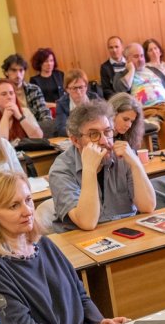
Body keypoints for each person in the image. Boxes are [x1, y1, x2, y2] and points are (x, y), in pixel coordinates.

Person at [0, 171, 128, 324]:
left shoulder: (43, 244)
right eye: (14, 206)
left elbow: (80, 294)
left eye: (28, 200)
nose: (27, 211)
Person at [45, 99, 156, 232]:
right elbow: (87, 223)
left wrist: (136, 164)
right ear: (75, 140)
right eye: (94, 134)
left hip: (124, 231)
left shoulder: (124, 156)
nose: (104, 141)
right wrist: (90, 169)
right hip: (80, 240)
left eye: (108, 132)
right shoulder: (61, 170)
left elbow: (148, 206)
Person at [116, 42, 165, 149]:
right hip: (147, 110)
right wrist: (131, 70)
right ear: (127, 59)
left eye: (141, 55)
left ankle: (158, 118)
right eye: (136, 56)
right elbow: (121, 89)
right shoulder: (122, 75)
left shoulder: (153, 70)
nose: (140, 59)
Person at [2, 53, 55, 135]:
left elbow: (44, 113)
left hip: (36, 130)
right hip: (13, 132)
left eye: (21, 70)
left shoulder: (34, 89)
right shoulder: (2, 92)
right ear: (6, 72)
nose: (18, 75)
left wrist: (39, 129)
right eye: (13, 70)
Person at [0, 78, 45, 142]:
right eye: (4, 94)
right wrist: (5, 117)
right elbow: (1, 144)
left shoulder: (25, 111)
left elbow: (38, 137)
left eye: (11, 93)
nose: (9, 97)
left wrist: (19, 116)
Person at [54, 68, 91, 135]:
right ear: (67, 89)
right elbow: (61, 128)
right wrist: (82, 134)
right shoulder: (61, 104)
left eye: (81, 87)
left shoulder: (95, 98)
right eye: (74, 88)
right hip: (75, 136)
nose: (78, 92)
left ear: (86, 87)